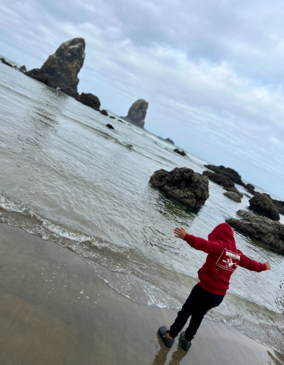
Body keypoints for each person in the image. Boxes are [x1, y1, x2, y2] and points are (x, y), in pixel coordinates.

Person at [158, 223, 270, 352]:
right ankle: (186, 341)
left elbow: (203, 244)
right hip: (218, 296)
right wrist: (263, 266)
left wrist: (186, 237)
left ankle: (170, 336)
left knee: (186, 312)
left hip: (203, 290)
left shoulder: (220, 248)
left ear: (219, 236)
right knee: (198, 316)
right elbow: (251, 264)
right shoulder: (238, 255)